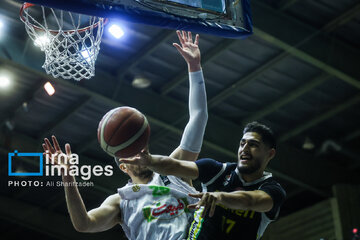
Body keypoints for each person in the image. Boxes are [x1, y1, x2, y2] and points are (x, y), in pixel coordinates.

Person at [42, 30, 208, 240]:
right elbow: (84, 224)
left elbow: (198, 118)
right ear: (123, 166)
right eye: (133, 154)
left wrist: (195, 68)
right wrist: (68, 177)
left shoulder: (173, 169)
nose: (141, 154)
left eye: (143, 149)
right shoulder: (120, 201)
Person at [120, 122, 287, 240]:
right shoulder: (217, 170)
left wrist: (219, 197)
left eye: (253, 145)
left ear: (270, 154)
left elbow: (250, 200)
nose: (244, 149)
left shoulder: (272, 190)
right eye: (242, 143)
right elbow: (173, 165)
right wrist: (149, 160)